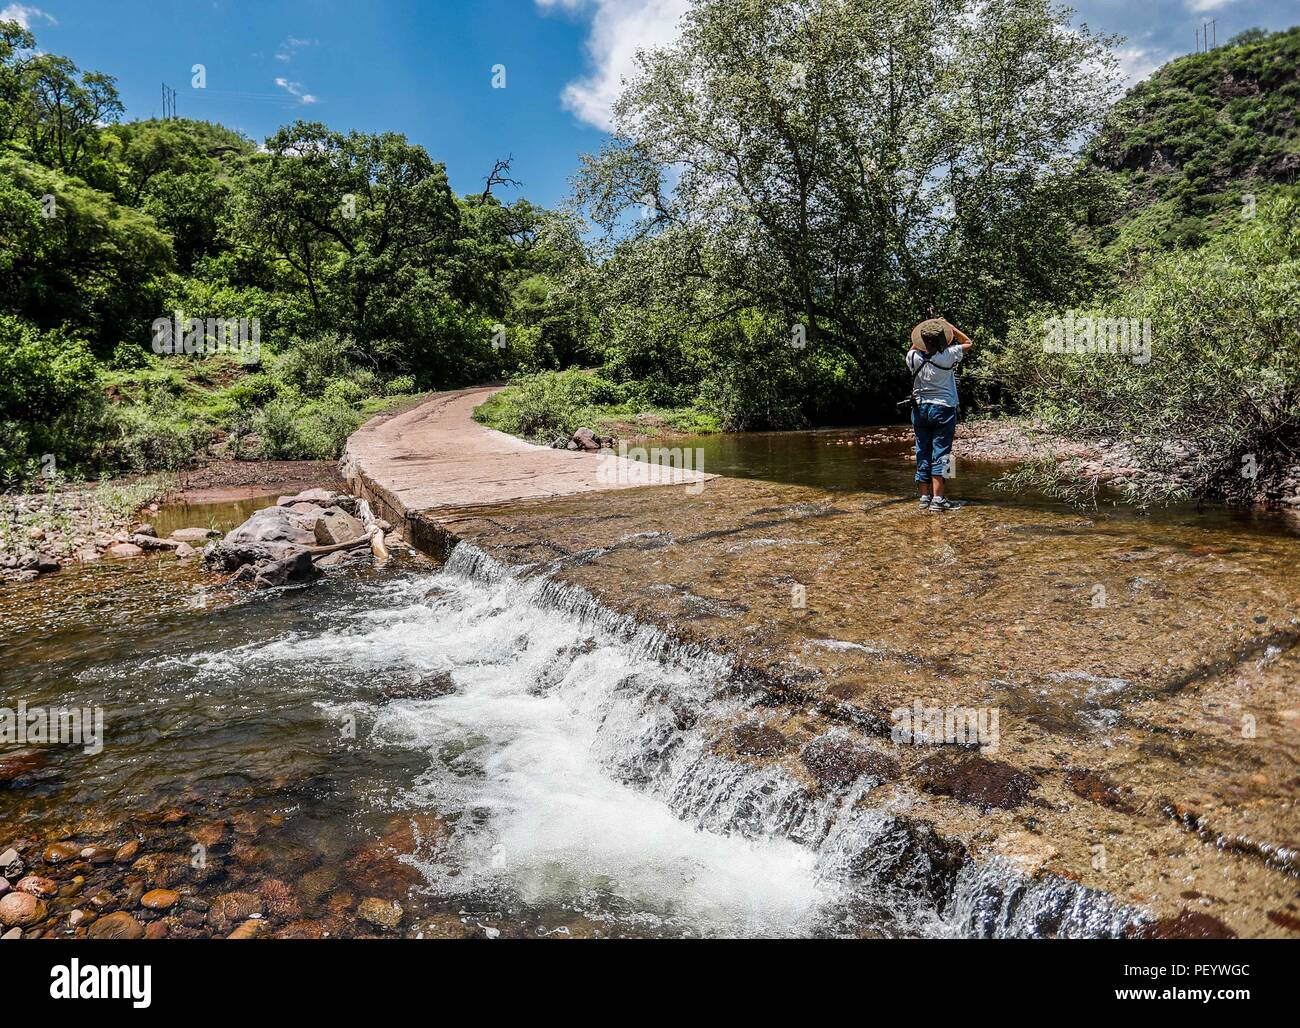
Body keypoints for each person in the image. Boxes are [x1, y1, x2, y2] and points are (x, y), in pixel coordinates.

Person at [906, 318, 972, 512]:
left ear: (922, 341)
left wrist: (928, 325)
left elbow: (914, 346)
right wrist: (949, 326)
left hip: (919, 409)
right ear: (942, 339)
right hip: (944, 408)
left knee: (922, 450)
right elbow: (968, 342)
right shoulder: (949, 355)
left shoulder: (912, 357)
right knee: (943, 454)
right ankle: (939, 499)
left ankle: (924, 497)